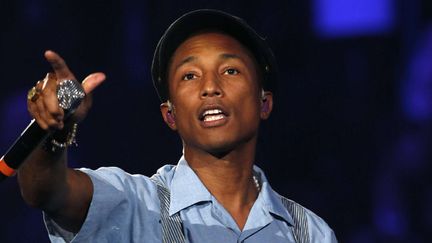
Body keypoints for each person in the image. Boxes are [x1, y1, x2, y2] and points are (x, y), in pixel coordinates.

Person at [18, 9, 337, 242]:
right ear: (169, 115)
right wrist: (53, 134)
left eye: (230, 71)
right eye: (189, 76)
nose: (210, 86)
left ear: (263, 103)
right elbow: (46, 191)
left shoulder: (310, 233)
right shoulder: (133, 203)